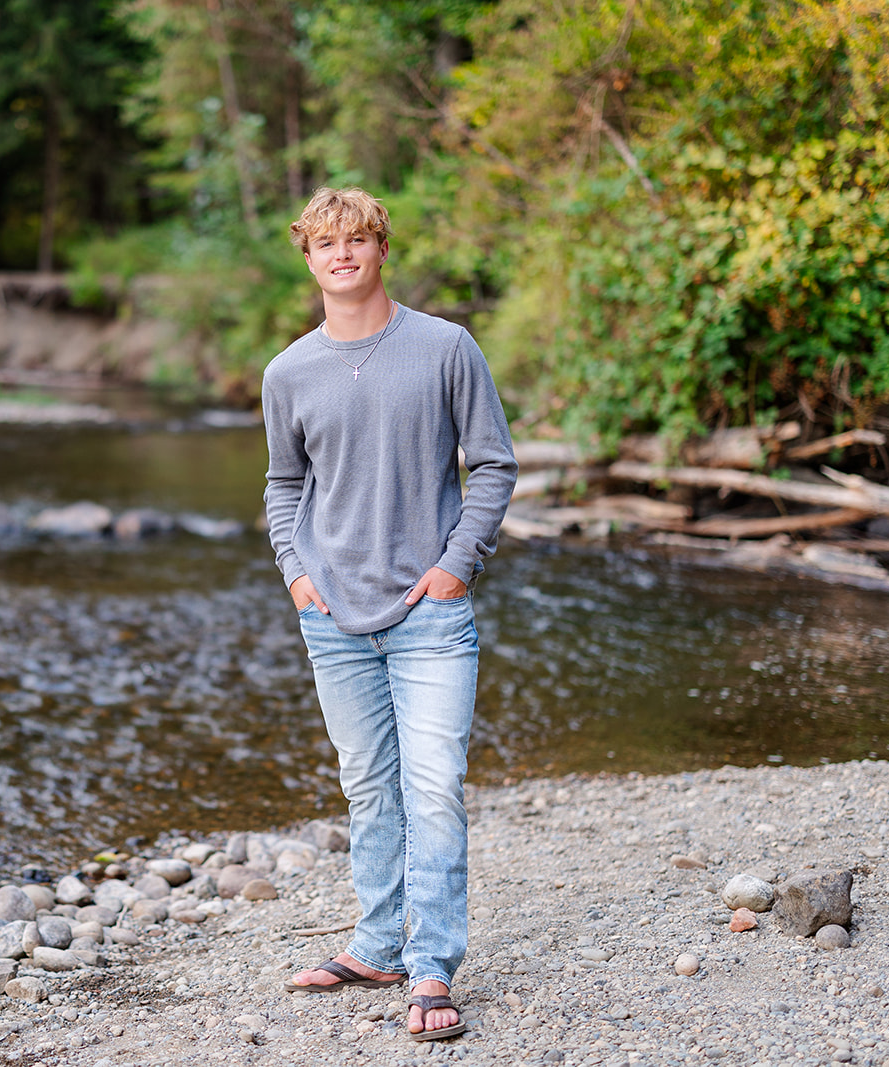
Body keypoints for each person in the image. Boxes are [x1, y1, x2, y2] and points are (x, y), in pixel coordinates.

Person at [261, 187, 518, 1042]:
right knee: (368, 785)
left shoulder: (446, 347)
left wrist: (455, 566)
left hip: (429, 613)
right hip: (332, 615)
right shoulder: (287, 372)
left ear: (380, 249)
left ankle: (433, 963)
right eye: (324, 242)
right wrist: (297, 574)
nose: (341, 254)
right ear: (307, 258)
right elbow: (284, 485)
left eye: (356, 239)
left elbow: (492, 465)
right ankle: (377, 943)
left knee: (433, 785)